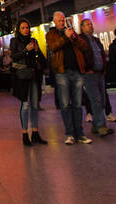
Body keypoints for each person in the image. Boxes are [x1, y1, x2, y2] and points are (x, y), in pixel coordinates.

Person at [44, 11, 92, 145]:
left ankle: (80, 134)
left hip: (76, 71)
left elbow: (85, 46)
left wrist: (74, 37)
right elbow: (53, 47)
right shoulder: (51, 34)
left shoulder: (72, 32)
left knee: (77, 104)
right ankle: (69, 134)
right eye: (59, 21)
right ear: (54, 22)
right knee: (65, 104)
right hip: (61, 72)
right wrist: (65, 37)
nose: (62, 23)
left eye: (63, 20)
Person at [9, 18, 47, 145]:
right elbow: (13, 57)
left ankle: (35, 132)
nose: (26, 30)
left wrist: (36, 51)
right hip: (22, 76)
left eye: (27, 27)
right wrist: (26, 50)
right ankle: (25, 133)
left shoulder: (33, 40)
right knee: (25, 105)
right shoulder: (14, 41)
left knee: (35, 105)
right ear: (19, 30)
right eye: (23, 28)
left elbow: (41, 58)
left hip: (34, 75)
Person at [78, 19, 114, 137]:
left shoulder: (97, 41)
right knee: (96, 100)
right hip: (89, 74)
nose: (90, 26)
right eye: (87, 25)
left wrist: (104, 68)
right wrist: (85, 69)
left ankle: (95, 124)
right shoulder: (81, 41)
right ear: (82, 28)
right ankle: (101, 126)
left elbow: (101, 54)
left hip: (99, 73)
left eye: (91, 24)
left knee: (102, 100)